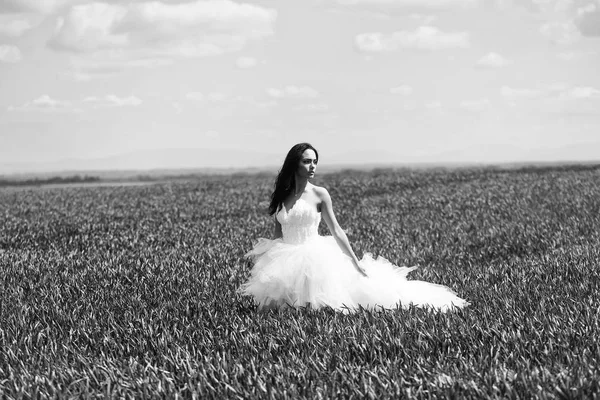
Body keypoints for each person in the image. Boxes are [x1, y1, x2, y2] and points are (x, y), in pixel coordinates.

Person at [240, 143, 469, 312]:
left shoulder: (320, 194)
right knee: (278, 310)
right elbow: (278, 233)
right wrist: (269, 263)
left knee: (326, 304)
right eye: (307, 161)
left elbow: (337, 230)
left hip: (314, 255)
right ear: (294, 164)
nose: (313, 166)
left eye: (315, 161)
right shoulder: (282, 195)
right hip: (286, 256)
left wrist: (354, 261)